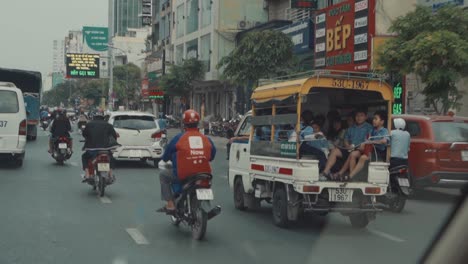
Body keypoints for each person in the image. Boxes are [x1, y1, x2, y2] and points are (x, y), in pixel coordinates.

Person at [158, 109, 216, 214]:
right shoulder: (206, 139)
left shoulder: (178, 138)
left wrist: (167, 157)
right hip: (204, 174)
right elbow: (212, 156)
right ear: (197, 123)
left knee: (163, 175)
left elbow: (166, 157)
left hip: (184, 175)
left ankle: (170, 204)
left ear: (184, 124)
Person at [320, 109, 373, 180]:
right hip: (350, 149)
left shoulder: (369, 128)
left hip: (361, 150)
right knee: (335, 151)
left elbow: (369, 139)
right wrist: (347, 145)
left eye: (361, 116)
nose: (359, 118)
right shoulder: (351, 128)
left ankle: (345, 175)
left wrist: (362, 145)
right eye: (357, 116)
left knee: (353, 154)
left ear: (365, 117)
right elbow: (346, 139)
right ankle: (325, 172)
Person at [347, 111, 390, 180]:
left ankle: (350, 176)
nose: (373, 121)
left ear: (382, 122)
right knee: (353, 154)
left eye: (376, 119)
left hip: (377, 153)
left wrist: (371, 142)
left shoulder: (384, 131)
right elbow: (367, 140)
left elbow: (384, 141)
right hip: (369, 151)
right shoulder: (372, 130)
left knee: (362, 158)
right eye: (373, 119)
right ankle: (352, 176)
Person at [81, 112, 119, 182]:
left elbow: (84, 134)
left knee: (84, 157)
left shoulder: (89, 124)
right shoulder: (108, 125)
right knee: (111, 158)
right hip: (105, 149)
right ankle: (110, 174)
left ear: (94, 117)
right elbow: (114, 136)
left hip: (92, 149)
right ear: (103, 118)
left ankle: (87, 174)